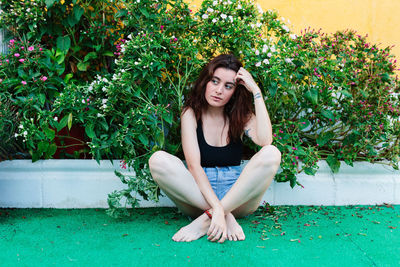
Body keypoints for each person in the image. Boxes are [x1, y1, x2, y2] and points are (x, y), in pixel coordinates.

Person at [148, 54, 281, 243]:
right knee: (158, 160)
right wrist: (219, 209)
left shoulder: (241, 115)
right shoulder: (191, 113)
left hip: (237, 196)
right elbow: (194, 166)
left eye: (228, 86)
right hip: (199, 196)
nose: (219, 90)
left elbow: (266, 140)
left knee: (272, 153)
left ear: (235, 91)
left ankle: (205, 220)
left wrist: (256, 91)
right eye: (215, 81)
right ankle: (224, 215)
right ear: (205, 81)